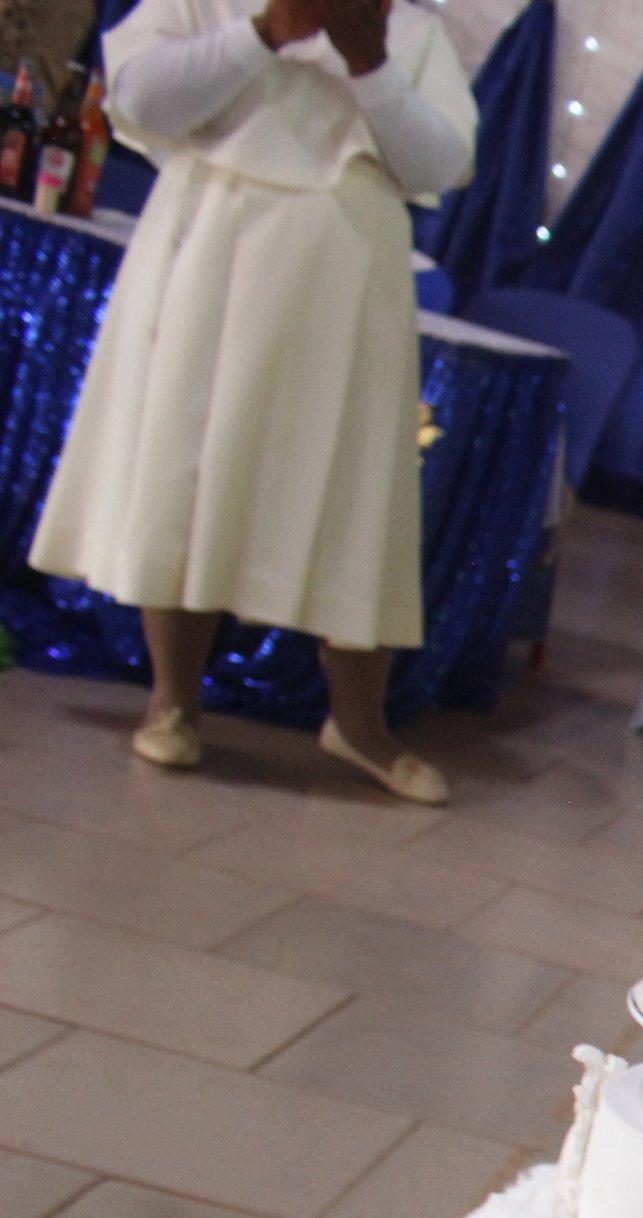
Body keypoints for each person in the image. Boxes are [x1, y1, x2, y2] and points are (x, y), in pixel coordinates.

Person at [27, 0, 473, 804]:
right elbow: (139, 96)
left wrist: (369, 63)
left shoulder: (410, 30)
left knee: (353, 493)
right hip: (208, 251)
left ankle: (359, 724)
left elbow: (438, 163)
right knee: (189, 466)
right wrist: (265, 34)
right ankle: (173, 701)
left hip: (345, 275)